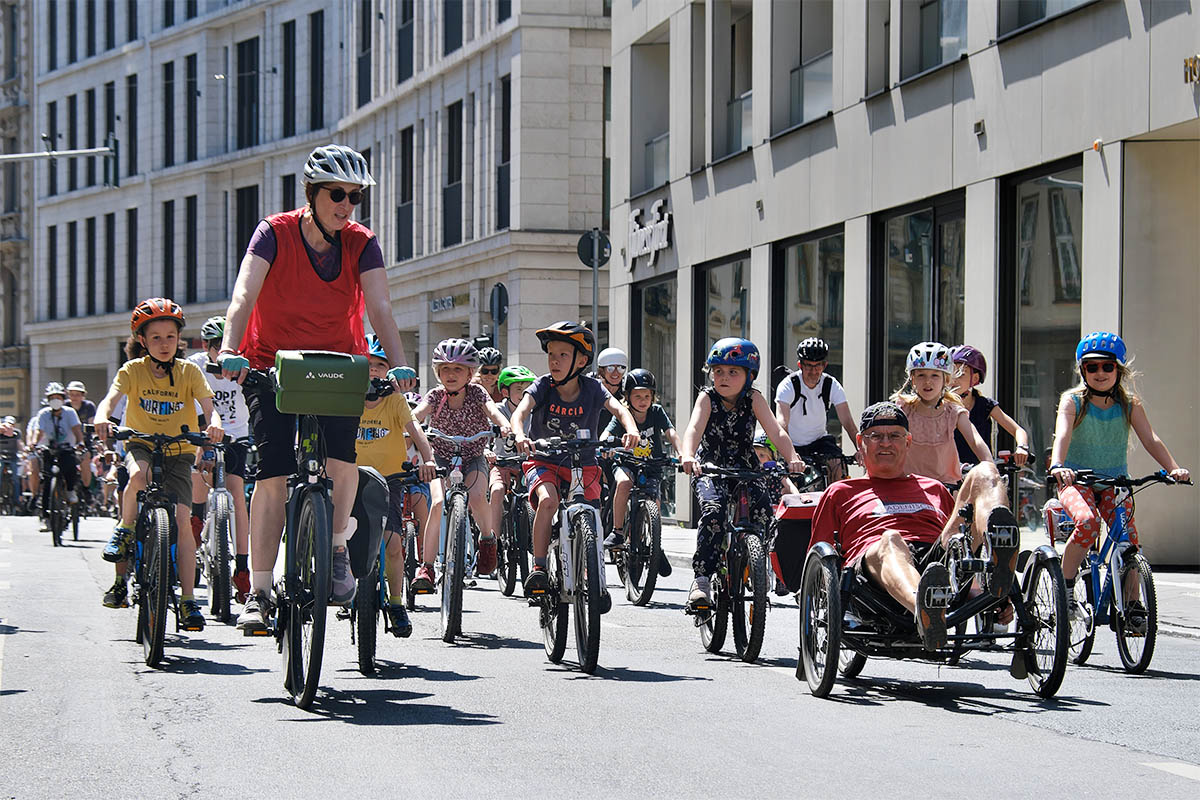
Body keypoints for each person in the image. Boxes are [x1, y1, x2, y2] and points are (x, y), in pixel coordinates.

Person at [218, 144, 416, 630]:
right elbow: (244, 293)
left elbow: (381, 307)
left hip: (338, 366)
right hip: (271, 364)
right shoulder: (274, 232)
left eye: (355, 196)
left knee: (342, 461)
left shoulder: (361, 242)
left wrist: (399, 364)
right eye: (337, 194)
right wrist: (229, 348)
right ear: (311, 193)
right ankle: (260, 592)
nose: (346, 205)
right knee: (273, 474)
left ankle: (336, 549)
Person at [809, 401, 1021, 650]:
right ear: (860, 442)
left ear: (908, 442)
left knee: (985, 470)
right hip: (873, 574)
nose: (886, 443)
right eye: (875, 436)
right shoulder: (840, 491)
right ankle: (924, 608)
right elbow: (816, 560)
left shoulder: (934, 489)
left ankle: (999, 557)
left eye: (895, 436)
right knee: (891, 540)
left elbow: (954, 544)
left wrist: (980, 597)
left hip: (935, 564)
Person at [1049, 332, 1190, 632]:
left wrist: (1173, 469)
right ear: (1082, 371)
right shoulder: (1072, 401)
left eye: (1107, 367)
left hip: (1115, 482)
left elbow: (1151, 439)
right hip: (1077, 480)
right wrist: (1058, 465)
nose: (1100, 373)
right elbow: (1062, 434)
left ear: (1119, 370)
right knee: (1086, 523)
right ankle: (1067, 591)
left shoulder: (1130, 404)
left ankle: (1131, 604)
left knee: (1130, 541)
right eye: (1092, 367)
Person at [94, 299, 223, 628]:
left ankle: (189, 600)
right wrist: (101, 417)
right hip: (141, 444)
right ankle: (122, 563)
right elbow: (110, 400)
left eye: (170, 337)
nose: (163, 344)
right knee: (137, 476)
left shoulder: (189, 371)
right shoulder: (132, 371)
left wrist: (215, 423)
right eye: (155, 338)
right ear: (142, 340)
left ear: (179, 339)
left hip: (179, 451)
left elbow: (210, 408)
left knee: (182, 519)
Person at [511, 322, 640, 603]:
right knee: (548, 501)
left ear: (581, 361)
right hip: (544, 460)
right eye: (551, 355)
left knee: (591, 514)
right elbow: (520, 413)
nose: (554, 361)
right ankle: (540, 567)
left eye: (563, 355)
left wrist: (631, 429)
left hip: (583, 463)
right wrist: (520, 434)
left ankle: (591, 578)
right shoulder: (543, 386)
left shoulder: (593, 388)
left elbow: (619, 409)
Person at [679, 338, 806, 608]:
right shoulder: (707, 397)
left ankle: (772, 569)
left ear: (749, 376)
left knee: (766, 514)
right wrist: (688, 455)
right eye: (718, 371)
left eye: (733, 372)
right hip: (711, 466)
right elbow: (693, 428)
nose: (723, 377)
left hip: (746, 466)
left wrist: (792, 457)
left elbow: (776, 431)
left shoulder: (754, 398)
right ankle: (702, 580)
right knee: (713, 512)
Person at [409, 339, 511, 590]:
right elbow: (415, 415)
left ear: (469, 373)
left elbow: (492, 410)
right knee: (438, 503)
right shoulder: (435, 396)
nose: (451, 374)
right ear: (437, 372)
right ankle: (427, 567)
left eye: (458, 369)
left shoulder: (477, 393)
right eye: (445, 369)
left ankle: (487, 540)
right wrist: (407, 424)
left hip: (473, 457)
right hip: (440, 458)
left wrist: (504, 424)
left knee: (477, 497)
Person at [357, 334, 438, 637]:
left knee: (392, 544)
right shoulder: (347, 400)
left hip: (389, 480)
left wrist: (428, 459)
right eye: (367, 364)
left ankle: (395, 602)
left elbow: (416, 431)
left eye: (380, 365)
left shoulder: (394, 400)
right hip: (352, 478)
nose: (374, 371)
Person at [187, 316, 253, 603]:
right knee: (198, 476)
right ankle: (195, 525)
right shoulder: (195, 366)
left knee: (237, 494)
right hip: (202, 431)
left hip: (236, 435)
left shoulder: (243, 365)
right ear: (207, 346)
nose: (225, 352)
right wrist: (202, 436)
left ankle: (241, 567)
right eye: (218, 346)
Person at [601, 367, 681, 582]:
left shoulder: (656, 412)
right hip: (626, 462)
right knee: (624, 484)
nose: (643, 400)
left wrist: (682, 453)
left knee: (654, 500)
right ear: (627, 397)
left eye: (647, 396)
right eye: (637, 396)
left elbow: (670, 432)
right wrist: (605, 444)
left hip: (651, 464)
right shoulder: (623, 414)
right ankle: (617, 531)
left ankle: (655, 546)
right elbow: (607, 433)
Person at [891, 342, 991, 484]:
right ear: (912, 379)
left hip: (944, 487)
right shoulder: (904, 409)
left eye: (935, 375)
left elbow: (975, 440)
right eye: (921, 375)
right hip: (909, 487)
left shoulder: (952, 411)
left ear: (946, 379)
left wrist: (989, 465)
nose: (927, 382)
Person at [774, 338, 859, 482]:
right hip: (792, 443)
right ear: (800, 365)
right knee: (789, 482)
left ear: (824, 365)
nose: (813, 371)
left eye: (817, 366)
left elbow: (848, 422)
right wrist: (790, 454)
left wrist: (861, 450)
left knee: (837, 464)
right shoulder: (788, 385)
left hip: (819, 442)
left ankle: (836, 503)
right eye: (808, 366)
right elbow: (782, 423)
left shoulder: (830, 385)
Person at [950, 345, 1032, 467]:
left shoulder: (985, 405)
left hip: (981, 471)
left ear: (975, 378)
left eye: (961, 374)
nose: (954, 379)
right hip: (949, 471)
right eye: (950, 373)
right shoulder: (942, 405)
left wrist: (1022, 448)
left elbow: (1018, 430)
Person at [487, 365, 537, 549]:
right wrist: (486, 451)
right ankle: (494, 542)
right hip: (501, 462)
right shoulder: (497, 410)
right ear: (506, 391)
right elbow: (485, 434)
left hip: (528, 463)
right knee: (497, 490)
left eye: (527, 390)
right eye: (518, 389)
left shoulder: (535, 410)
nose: (523, 394)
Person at [31, 382, 84, 511]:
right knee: (47, 480)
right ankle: (45, 515)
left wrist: (80, 442)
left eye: (58, 397)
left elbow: (77, 429)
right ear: (48, 400)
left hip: (66, 448)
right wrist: (34, 443)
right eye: (52, 398)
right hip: (49, 449)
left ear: (63, 399)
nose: (56, 400)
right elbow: (39, 431)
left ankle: (70, 491)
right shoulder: (43, 414)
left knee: (70, 468)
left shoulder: (70, 412)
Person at [66, 380, 97, 502]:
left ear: (83, 395)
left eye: (77, 394)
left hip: (84, 442)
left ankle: (86, 488)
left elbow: (92, 423)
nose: (74, 397)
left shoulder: (88, 407)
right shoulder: (64, 407)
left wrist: (96, 439)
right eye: (72, 394)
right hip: (67, 442)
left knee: (85, 459)